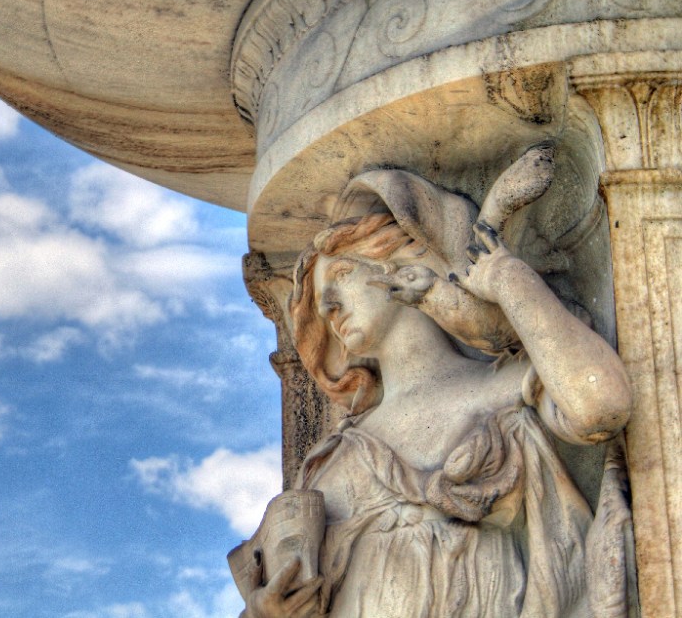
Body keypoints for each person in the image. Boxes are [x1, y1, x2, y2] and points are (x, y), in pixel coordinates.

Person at [232, 161, 632, 617]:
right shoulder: (331, 460)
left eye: (341, 273)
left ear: (403, 263)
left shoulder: (504, 388)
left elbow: (602, 405)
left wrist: (506, 277)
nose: (327, 306)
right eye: (321, 301)